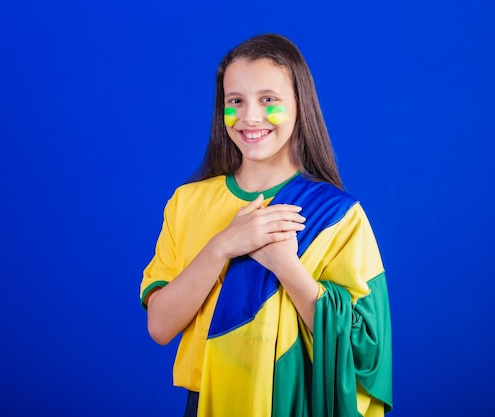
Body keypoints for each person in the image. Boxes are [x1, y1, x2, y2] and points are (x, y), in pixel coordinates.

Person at [140, 34, 392, 417]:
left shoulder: (339, 216)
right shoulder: (187, 203)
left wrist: (284, 264)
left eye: (268, 100)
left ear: (299, 106)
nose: (249, 117)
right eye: (235, 102)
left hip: (291, 402)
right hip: (205, 402)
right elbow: (159, 326)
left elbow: (364, 348)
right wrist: (222, 245)